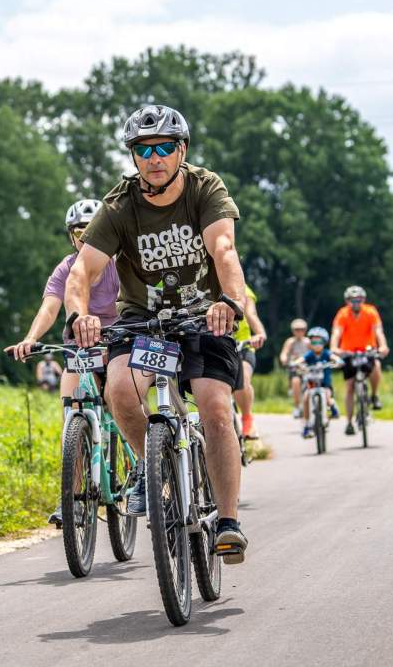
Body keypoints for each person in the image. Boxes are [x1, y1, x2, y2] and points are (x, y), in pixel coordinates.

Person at [64, 104, 249, 564]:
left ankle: (227, 521)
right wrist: (78, 315)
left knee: (214, 407)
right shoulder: (120, 205)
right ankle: (154, 468)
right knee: (122, 394)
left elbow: (223, 249)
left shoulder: (205, 189)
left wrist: (231, 300)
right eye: (144, 150)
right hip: (143, 322)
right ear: (133, 157)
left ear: (181, 150)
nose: (155, 158)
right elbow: (81, 272)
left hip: (206, 317)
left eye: (165, 147)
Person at [5, 198, 119, 524]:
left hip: (116, 343)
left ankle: (139, 466)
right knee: (71, 411)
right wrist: (30, 338)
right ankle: (71, 497)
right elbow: (50, 308)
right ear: (72, 236)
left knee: (119, 396)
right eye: (79, 232)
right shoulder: (66, 268)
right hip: (79, 349)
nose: (85, 239)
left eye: (91, 231)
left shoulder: (116, 265)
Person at [330, 285, 390, 436]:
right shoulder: (342, 314)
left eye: (358, 300)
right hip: (348, 352)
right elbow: (336, 333)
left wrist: (383, 346)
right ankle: (349, 422)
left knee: (376, 365)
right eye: (352, 300)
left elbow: (378, 331)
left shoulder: (370, 312)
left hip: (367, 350)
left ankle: (374, 396)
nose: (355, 303)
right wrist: (334, 348)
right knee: (349, 387)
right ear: (347, 301)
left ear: (363, 300)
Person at [232, 285, 267, 440]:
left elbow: (251, 314)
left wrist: (259, 333)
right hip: (215, 344)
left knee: (243, 380)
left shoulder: (242, 288)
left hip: (241, 344)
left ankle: (247, 420)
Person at [291, 327, 340, 438]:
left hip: (325, 384)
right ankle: (307, 424)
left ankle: (332, 408)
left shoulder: (326, 354)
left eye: (320, 342)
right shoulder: (310, 355)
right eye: (314, 342)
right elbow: (301, 360)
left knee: (328, 396)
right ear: (310, 343)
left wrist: (338, 361)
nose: (317, 344)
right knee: (306, 398)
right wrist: (295, 363)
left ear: (324, 342)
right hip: (311, 385)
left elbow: (334, 357)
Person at [279, 319, 310, 417]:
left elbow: (314, 352)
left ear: (305, 330)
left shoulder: (308, 341)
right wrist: (284, 359)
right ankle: (297, 407)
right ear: (293, 331)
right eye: (297, 329)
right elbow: (284, 352)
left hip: (307, 368)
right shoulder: (290, 341)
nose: (299, 332)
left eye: (301, 329)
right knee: (295, 382)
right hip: (295, 367)